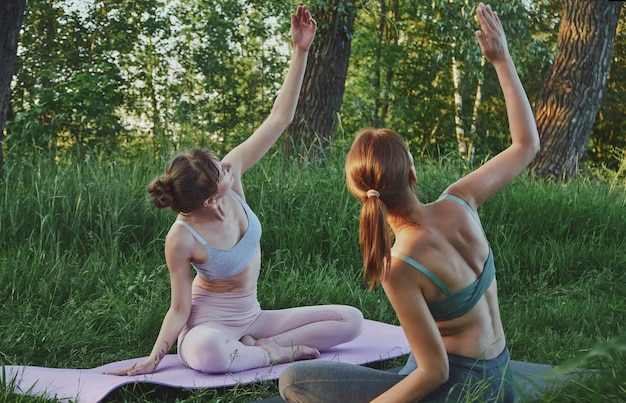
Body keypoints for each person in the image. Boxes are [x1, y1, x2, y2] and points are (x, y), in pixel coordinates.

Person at [279, 3, 539, 402]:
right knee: (410, 362)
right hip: (500, 376)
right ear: (412, 174)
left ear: (361, 196)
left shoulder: (399, 266)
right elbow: (526, 144)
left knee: (295, 380)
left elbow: (435, 372)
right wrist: (501, 60)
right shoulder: (461, 200)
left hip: (462, 392)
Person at [105, 5, 363, 377]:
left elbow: (280, 119)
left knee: (349, 320)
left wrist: (300, 51)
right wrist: (153, 359)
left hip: (255, 318)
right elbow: (179, 309)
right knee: (209, 353)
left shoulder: (232, 173)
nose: (228, 166)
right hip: (209, 329)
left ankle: (257, 348)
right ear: (209, 199)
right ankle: (271, 354)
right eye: (221, 171)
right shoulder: (182, 238)